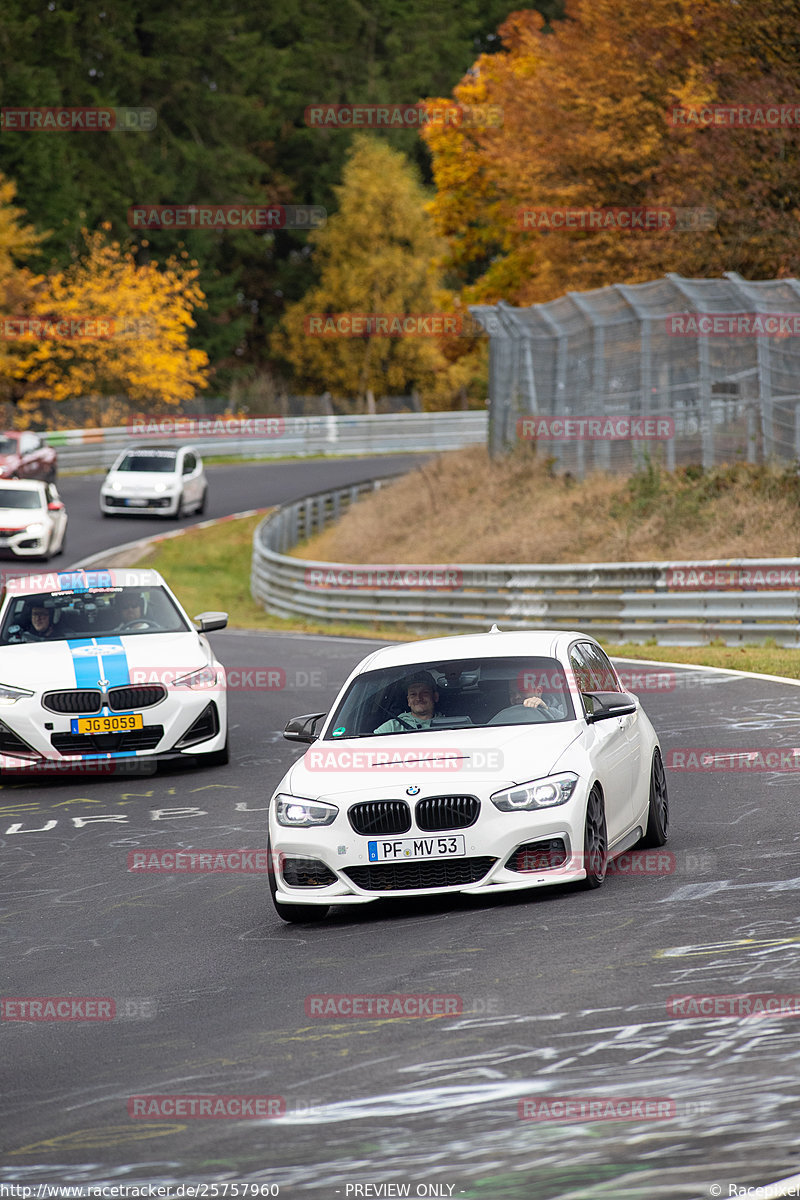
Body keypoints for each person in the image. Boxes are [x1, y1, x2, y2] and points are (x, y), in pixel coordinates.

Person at [374, 671, 443, 733]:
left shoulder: (448, 723)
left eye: (425, 693)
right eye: (413, 694)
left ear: (435, 697)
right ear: (408, 701)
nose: (418, 698)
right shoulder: (391, 727)